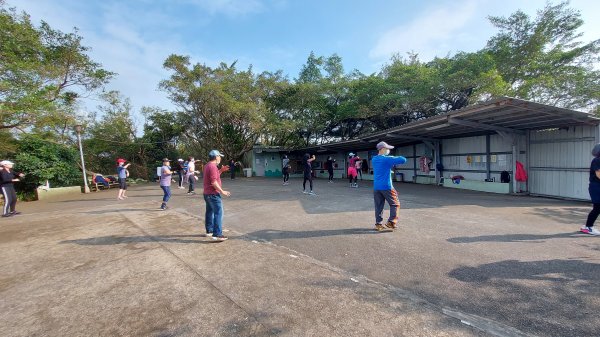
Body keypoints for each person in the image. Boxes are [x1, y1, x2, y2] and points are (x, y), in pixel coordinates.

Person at [372, 142, 407, 231]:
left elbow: (382, 166)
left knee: (379, 206)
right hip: (386, 186)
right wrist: (391, 157)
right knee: (395, 204)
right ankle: (391, 222)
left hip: (376, 187)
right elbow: (403, 159)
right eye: (387, 149)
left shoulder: (374, 159)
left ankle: (378, 224)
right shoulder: (387, 159)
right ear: (382, 149)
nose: (389, 150)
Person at [203, 150, 231, 241]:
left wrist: (221, 170)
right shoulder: (213, 166)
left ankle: (210, 231)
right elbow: (214, 182)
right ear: (216, 157)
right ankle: (217, 234)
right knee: (219, 213)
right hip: (213, 194)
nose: (220, 158)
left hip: (207, 194)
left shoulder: (208, 165)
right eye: (219, 156)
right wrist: (222, 191)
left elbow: (213, 176)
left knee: (209, 212)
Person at [581, 144, 600, 235]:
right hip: (596, 187)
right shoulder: (597, 160)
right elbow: (598, 174)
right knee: (597, 208)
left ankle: (587, 226)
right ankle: (589, 227)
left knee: (597, 208)